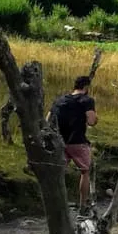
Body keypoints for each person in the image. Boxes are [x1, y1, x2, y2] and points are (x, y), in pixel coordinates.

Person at [48, 76, 97, 210]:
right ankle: (83, 205)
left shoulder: (59, 100)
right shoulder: (87, 100)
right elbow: (91, 121)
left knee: (58, 173)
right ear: (86, 87)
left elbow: (48, 120)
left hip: (59, 141)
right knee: (85, 171)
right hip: (77, 141)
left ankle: (56, 205)